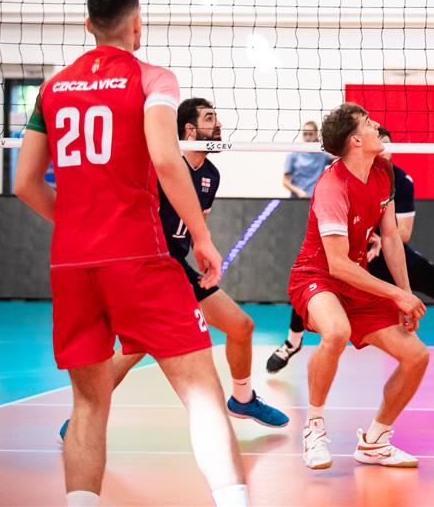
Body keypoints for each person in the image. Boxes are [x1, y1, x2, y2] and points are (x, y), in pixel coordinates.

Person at [13, 0, 249, 507]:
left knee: (88, 406)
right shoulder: (152, 78)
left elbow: (25, 183)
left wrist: (77, 224)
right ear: (137, 25)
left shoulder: (51, 89)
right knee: (203, 396)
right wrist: (203, 238)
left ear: (88, 26)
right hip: (138, 257)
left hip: (71, 264)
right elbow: (166, 158)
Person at [58, 99, 289, 440]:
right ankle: (83, 417)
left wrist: (203, 252)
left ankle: (242, 399)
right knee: (135, 348)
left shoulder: (210, 174)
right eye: (210, 118)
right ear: (190, 130)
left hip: (178, 266)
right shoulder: (161, 167)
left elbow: (197, 224)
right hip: (150, 267)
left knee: (241, 326)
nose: (218, 125)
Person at [267, 126, 434, 373]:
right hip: (354, 254)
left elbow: (402, 232)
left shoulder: (399, 180)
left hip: (387, 250)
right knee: (315, 290)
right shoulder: (339, 176)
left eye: (385, 145)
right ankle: (292, 343)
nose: (382, 150)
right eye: (376, 140)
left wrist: (379, 240)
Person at [288, 103, 429, 470]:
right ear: (355, 141)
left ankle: (376, 441)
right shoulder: (332, 187)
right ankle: (314, 427)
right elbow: (336, 264)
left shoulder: (383, 171)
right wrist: (394, 294)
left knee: (416, 357)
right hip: (316, 275)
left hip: (356, 279)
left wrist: (405, 293)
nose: (377, 124)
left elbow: (391, 237)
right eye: (368, 123)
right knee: (336, 332)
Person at [284, 121, 331, 198]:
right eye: (305, 134)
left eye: (310, 134)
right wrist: (299, 192)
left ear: (316, 135)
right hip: (298, 199)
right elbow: (285, 182)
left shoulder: (323, 155)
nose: (307, 137)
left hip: (316, 199)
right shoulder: (293, 155)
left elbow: (339, 155)